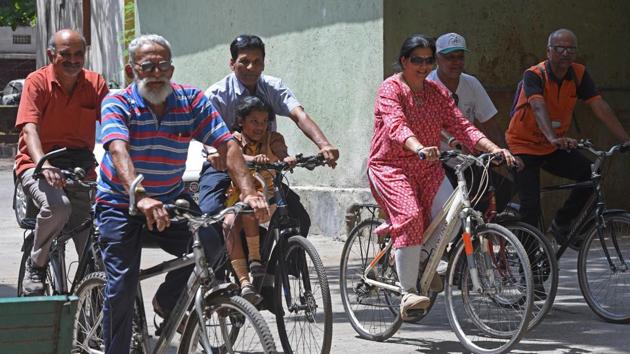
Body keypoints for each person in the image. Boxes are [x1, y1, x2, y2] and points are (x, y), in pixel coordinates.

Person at [95, 34, 269, 354]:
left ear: (172, 69)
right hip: (121, 203)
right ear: (132, 70)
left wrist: (249, 192)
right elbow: (118, 149)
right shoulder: (117, 103)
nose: (156, 72)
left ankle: (167, 300)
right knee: (121, 286)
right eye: (148, 66)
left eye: (163, 65)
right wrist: (140, 194)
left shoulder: (190, 100)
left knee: (214, 241)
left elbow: (227, 145)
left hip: (170, 200)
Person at [367, 33, 516, 320]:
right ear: (403, 61)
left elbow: (463, 127)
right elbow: (397, 126)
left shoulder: (436, 93)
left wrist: (494, 148)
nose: (423, 67)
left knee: (451, 215)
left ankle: (422, 260)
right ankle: (408, 291)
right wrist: (419, 147)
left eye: (427, 61)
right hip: (391, 167)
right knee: (410, 217)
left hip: (427, 167)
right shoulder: (391, 89)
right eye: (416, 61)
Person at [199, 34, 339, 237]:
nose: (251, 67)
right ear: (232, 63)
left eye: (257, 62)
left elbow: (299, 115)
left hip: (264, 168)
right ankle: (222, 267)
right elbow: (207, 131)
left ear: (264, 64)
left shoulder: (273, 87)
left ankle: (283, 266)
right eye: (244, 61)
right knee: (210, 216)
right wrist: (213, 152)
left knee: (298, 218)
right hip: (224, 167)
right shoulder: (217, 94)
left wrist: (324, 145)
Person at [506, 28, 630, 241]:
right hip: (522, 146)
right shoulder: (534, 74)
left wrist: (625, 138)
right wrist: (553, 137)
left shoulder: (579, 74)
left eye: (571, 49)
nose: (566, 53)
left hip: (552, 146)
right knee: (531, 207)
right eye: (560, 48)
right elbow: (537, 106)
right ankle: (530, 262)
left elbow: (599, 106)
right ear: (548, 51)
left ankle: (562, 223)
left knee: (590, 175)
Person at [15, 29, 108, 296]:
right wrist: (42, 164)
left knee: (93, 240)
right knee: (57, 206)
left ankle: (93, 311)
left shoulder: (95, 83)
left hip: (80, 166)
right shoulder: (37, 82)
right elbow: (29, 129)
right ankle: (37, 263)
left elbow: (114, 125)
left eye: (79, 54)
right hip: (38, 162)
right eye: (65, 54)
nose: (74, 60)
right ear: (51, 55)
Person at [427, 32, 514, 213]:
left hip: (465, 159)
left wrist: (502, 152)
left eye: (460, 57)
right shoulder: (428, 85)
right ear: (437, 58)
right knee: (450, 209)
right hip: (436, 161)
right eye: (449, 57)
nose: (456, 62)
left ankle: (477, 234)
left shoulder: (471, 83)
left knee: (503, 189)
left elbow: (489, 122)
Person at [223, 96, 297, 303]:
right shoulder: (234, 140)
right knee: (229, 223)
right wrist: (252, 159)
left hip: (268, 195)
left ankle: (263, 264)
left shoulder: (272, 138)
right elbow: (232, 155)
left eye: (264, 122)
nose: (260, 126)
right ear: (241, 122)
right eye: (254, 121)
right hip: (238, 194)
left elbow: (281, 150)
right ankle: (245, 280)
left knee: (299, 219)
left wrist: (286, 158)